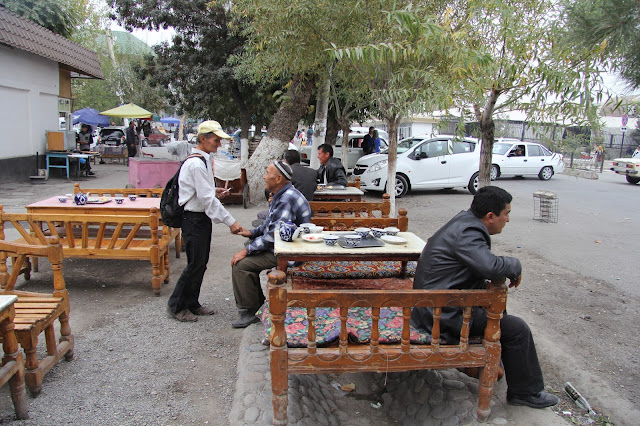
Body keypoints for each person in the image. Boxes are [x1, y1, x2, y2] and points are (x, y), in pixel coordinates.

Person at [411, 186, 559, 409]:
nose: (508, 219)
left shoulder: (465, 221)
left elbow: (482, 267)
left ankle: (496, 366)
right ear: (490, 216)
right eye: (506, 213)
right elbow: (490, 266)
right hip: (440, 315)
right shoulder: (468, 232)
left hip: (436, 306)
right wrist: (515, 265)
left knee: (499, 315)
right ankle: (525, 392)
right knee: (517, 330)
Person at [167, 120, 243, 322]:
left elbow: (205, 193)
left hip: (199, 219)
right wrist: (231, 222)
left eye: (219, 140)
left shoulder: (203, 160)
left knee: (200, 264)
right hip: (193, 219)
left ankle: (192, 303)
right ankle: (176, 306)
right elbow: (207, 200)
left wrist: (214, 190)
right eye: (215, 140)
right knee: (194, 264)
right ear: (203, 139)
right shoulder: (195, 163)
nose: (218, 144)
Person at [230, 161, 311, 328]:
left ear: (279, 178)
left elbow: (274, 236)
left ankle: (250, 310)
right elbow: (271, 226)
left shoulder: (285, 199)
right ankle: (258, 303)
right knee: (249, 245)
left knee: (241, 264)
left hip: (290, 253)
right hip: (285, 245)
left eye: (267, 173)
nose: (264, 176)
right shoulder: (281, 194)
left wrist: (246, 251)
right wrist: (252, 233)